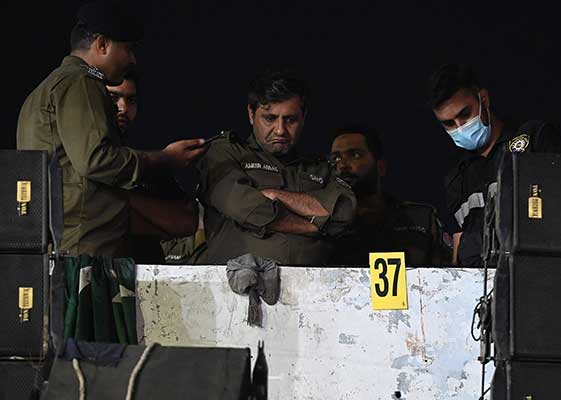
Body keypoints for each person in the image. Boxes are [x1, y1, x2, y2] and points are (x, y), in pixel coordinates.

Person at [16, 1, 205, 257]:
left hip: (60, 245)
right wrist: (165, 159)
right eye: (128, 49)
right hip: (85, 250)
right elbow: (96, 160)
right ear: (102, 45)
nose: (133, 59)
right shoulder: (83, 81)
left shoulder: (44, 90)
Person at [197, 69, 356, 265]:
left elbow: (345, 211)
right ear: (251, 114)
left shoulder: (319, 168)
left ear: (303, 117)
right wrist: (313, 226)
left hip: (314, 290)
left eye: (290, 120)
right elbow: (243, 206)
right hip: (237, 290)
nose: (280, 130)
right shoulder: (225, 153)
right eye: (270, 118)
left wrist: (276, 195)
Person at [428, 64, 561, 266]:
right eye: (449, 123)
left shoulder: (534, 140)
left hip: (538, 280)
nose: (460, 127)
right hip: (481, 291)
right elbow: (460, 253)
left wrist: (474, 242)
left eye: (465, 114)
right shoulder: (456, 179)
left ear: (483, 99)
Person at [106, 70, 200, 263]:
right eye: (113, 97)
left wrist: (113, 200)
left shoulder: (150, 163)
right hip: (94, 274)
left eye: (131, 100)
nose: (122, 107)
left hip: (148, 277)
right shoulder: (79, 162)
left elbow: (186, 221)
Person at [329, 125, 451, 265]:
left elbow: (447, 278)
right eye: (336, 158)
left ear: (380, 167)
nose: (343, 165)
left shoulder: (421, 218)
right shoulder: (323, 225)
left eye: (355, 155)